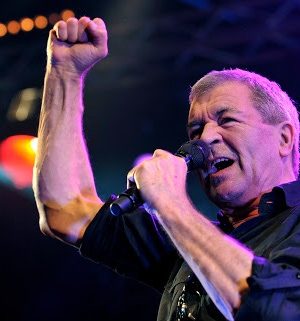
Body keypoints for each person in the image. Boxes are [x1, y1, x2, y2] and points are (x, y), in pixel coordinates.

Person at [33, 16, 300, 321]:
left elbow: (280, 311)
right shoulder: (190, 241)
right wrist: (64, 74)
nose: (205, 139)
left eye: (227, 120)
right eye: (195, 130)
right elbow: (66, 211)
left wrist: (171, 205)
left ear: (284, 138)